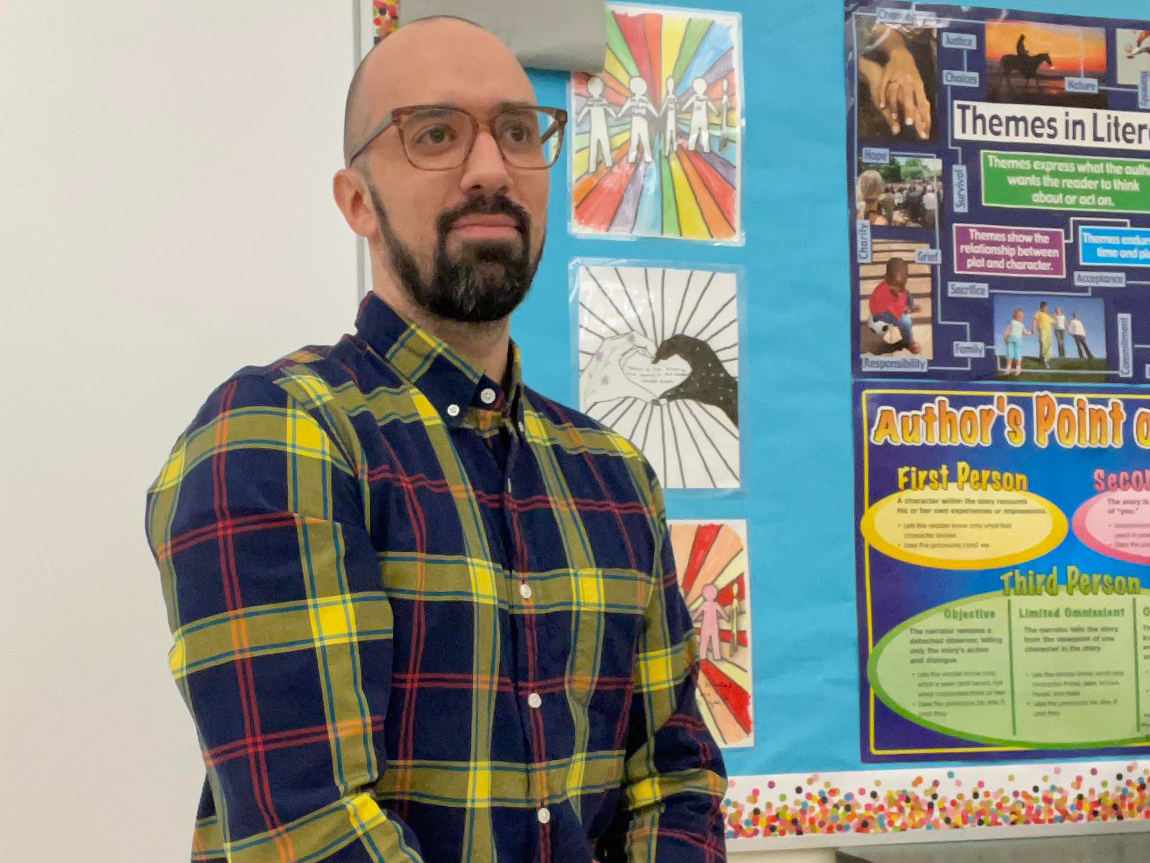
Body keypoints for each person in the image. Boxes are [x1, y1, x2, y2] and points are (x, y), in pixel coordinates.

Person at [144, 17, 727, 863]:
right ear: (356, 201)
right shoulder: (280, 435)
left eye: (518, 133)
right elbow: (308, 827)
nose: (490, 169)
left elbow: (676, 780)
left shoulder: (614, 476)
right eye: (435, 134)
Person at [867, 257, 920, 354]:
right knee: (906, 322)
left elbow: (902, 293)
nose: (898, 288)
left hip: (893, 306)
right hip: (880, 312)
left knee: (907, 293)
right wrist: (905, 309)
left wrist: (907, 305)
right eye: (894, 285)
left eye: (901, 285)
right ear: (887, 278)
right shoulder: (882, 292)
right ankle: (908, 342)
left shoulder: (898, 286)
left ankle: (910, 306)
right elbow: (896, 313)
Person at [1002, 308, 1031, 376]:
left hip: (1018, 341)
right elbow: (1007, 330)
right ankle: (1008, 368)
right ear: (1015, 316)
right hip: (1011, 340)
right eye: (1020, 316)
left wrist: (1030, 332)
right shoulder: (1012, 322)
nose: (1021, 317)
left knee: (1018, 354)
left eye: (1022, 316)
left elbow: (1025, 332)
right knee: (1010, 354)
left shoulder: (1021, 325)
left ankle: (1018, 369)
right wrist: (1005, 337)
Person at [1032, 301, 1054, 368]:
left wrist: (1055, 316)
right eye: (1045, 307)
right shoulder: (1038, 313)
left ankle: (1045, 358)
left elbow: (1053, 321)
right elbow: (1035, 320)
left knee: (1048, 344)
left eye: (1046, 307)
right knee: (1043, 344)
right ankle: (1044, 360)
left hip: (1049, 331)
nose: (1046, 309)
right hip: (1042, 330)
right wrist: (1033, 328)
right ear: (1041, 307)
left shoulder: (1048, 315)